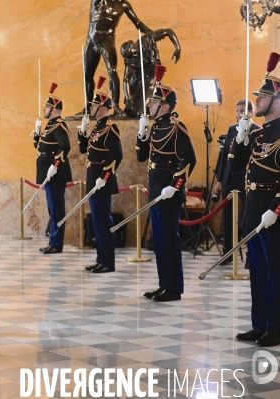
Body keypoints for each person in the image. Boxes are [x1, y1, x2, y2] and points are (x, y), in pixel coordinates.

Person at [136, 66, 196, 302]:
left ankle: (173, 288)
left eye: (153, 103)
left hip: (169, 192)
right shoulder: (155, 127)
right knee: (159, 241)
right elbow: (142, 158)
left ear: (166, 106)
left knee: (169, 240)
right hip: (155, 191)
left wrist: (175, 184)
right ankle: (164, 284)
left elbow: (189, 159)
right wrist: (141, 134)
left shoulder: (176, 128)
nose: (150, 106)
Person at [231, 55, 280, 347]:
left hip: (273, 214)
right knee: (258, 272)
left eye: (262, 96)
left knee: (276, 273)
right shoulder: (259, 132)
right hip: (255, 212)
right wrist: (241, 137)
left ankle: (275, 327)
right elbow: (237, 167)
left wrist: (275, 209)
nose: (256, 101)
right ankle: (259, 324)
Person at [78, 76, 123, 274]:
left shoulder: (110, 128)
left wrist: (104, 177)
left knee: (104, 222)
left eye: (95, 105)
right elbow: (83, 150)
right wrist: (82, 132)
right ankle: (100, 258)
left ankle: (108, 262)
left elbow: (117, 155)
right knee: (97, 221)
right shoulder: (96, 127)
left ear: (103, 107)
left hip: (102, 181)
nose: (91, 108)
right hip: (93, 179)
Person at [84, 0, 152, 115]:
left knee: (112, 71)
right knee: (87, 75)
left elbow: (138, 23)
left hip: (107, 39)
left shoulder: (124, 5)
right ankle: (88, 106)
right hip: (92, 40)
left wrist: (152, 33)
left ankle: (115, 105)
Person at [214, 99, 260, 263]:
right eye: (238, 110)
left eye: (244, 110)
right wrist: (220, 179)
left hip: (246, 179)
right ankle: (228, 253)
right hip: (229, 178)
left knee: (248, 217)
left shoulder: (258, 131)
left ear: (251, 112)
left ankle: (250, 255)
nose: (241, 113)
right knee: (227, 217)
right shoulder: (231, 129)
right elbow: (225, 156)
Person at [34, 83, 72, 254]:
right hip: (47, 172)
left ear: (55, 109)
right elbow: (42, 148)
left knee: (56, 207)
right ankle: (53, 240)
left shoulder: (59, 125)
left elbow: (64, 147)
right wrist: (36, 135)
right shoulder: (50, 125)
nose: (44, 110)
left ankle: (56, 243)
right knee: (52, 207)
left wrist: (55, 165)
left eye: (47, 107)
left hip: (55, 173)